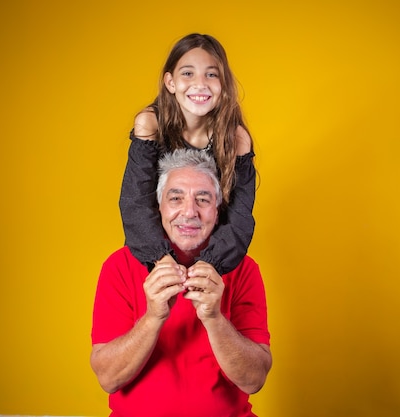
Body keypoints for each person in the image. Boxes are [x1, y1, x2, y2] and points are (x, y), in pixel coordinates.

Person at [92, 149, 271, 417]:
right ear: (159, 207)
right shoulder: (118, 266)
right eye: (176, 198)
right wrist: (153, 317)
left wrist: (214, 318)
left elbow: (254, 380)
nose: (189, 212)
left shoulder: (245, 269)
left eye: (203, 199)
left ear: (217, 210)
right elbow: (108, 379)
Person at [120, 33, 256, 276]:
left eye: (211, 74)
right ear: (170, 82)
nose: (200, 83)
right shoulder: (149, 124)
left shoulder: (236, 138)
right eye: (188, 73)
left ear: (223, 83)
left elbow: (240, 216)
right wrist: (160, 259)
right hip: (156, 255)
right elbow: (135, 202)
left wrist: (210, 264)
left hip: (214, 257)